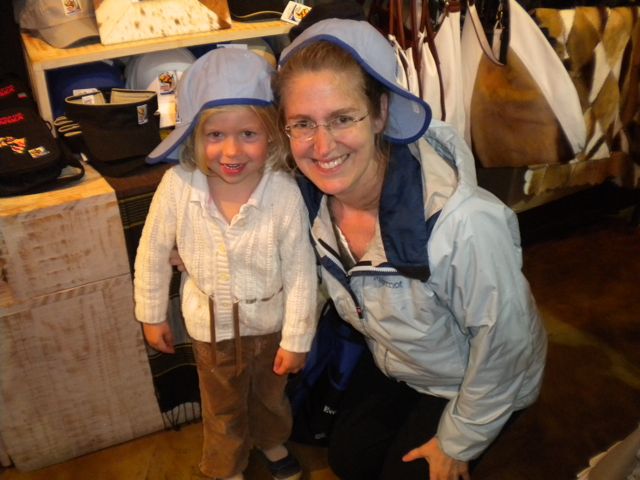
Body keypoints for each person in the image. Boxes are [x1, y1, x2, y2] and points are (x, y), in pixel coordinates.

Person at [274, 18, 548, 480]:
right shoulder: (309, 201)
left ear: (381, 113)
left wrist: (460, 440)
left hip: (472, 376)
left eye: (342, 118)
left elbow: (505, 345)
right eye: (303, 124)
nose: (321, 146)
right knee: (349, 461)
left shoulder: (464, 225)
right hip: (402, 360)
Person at [133, 48, 317, 480]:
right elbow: (152, 250)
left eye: (248, 134)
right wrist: (151, 314)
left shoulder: (283, 193)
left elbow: (300, 272)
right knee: (221, 405)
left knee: (270, 396)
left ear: (271, 135)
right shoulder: (178, 186)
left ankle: (270, 440)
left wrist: (297, 338)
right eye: (215, 134)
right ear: (195, 136)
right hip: (210, 329)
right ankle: (226, 464)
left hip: (270, 325)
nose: (231, 150)